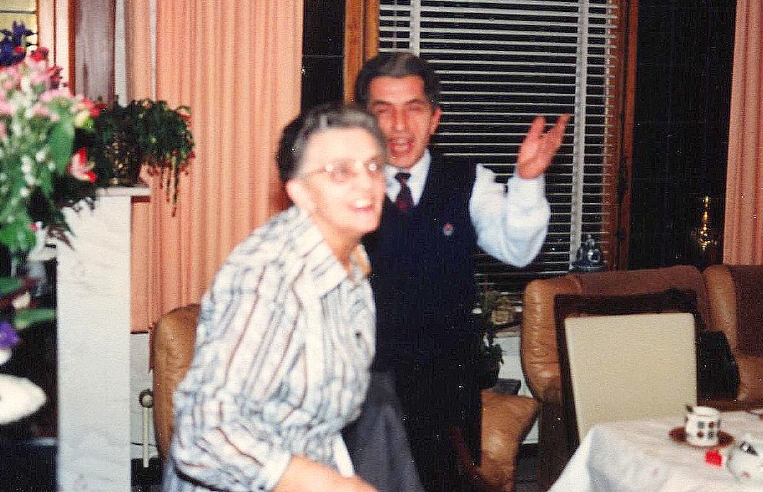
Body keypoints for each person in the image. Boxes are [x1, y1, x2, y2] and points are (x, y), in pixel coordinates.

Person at [353, 51, 568, 492]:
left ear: (434, 119)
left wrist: (527, 181)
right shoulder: (345, 187)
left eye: (413, 109)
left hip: (445, 388)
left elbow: (518, 251)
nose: (399, 126)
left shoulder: (469, 181)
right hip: (364, 386)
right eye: (383, 111)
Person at [164, 103, 387, 492]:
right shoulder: (269, 277)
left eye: (373, 167)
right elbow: (202, 436)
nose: (366, 184)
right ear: (300, 192)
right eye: (341, 171)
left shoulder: (352, 263)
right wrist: (334, 486)